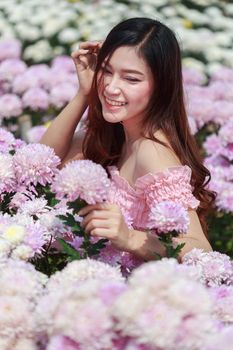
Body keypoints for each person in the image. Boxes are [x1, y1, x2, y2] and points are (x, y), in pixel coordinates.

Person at [41, 17, 215, 261]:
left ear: (161, 86)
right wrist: (84, 93)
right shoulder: (115, 135)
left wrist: (131, 238)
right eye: (107, 71)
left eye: (131, 79)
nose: (111, 87)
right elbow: (41, 162)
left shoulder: (151, 152)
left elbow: (200, 250)